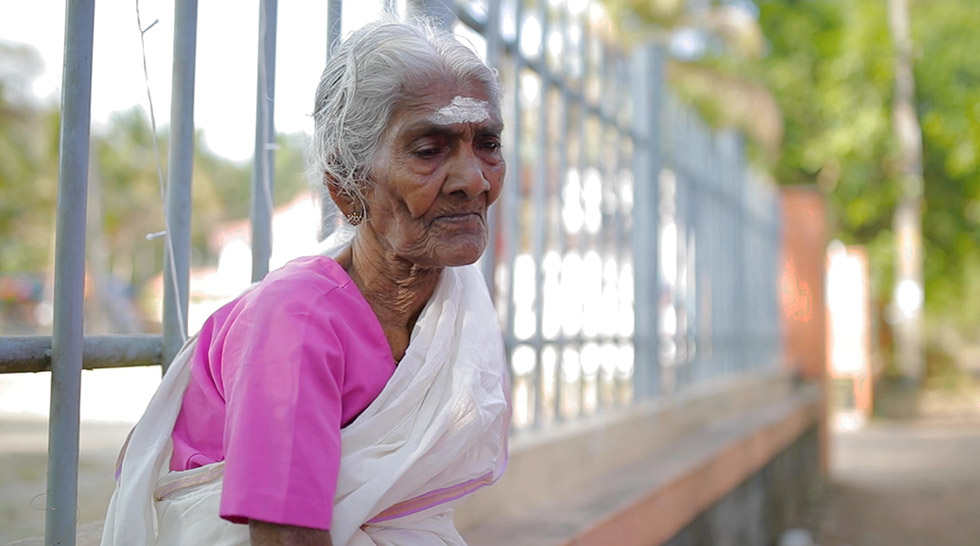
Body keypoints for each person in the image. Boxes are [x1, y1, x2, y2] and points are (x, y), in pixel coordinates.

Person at [101, 19, 510, 546]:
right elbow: (284, 535)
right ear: (346, 188)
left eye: (488, 143)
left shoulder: (454, 304)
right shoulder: (298, 315)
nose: (474, 180)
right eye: (429, 150)